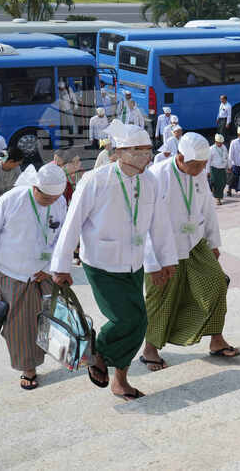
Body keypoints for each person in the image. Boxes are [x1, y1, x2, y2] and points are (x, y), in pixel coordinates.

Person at [50, 120, 178, 402]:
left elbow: (160, 225)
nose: (145, 156)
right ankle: (97, 352)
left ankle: (120, 380)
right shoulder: (95, 180)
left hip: (134, 263)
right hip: (102, 263)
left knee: (139, 323)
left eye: (147, 150)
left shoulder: (150, 180)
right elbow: (71, 224)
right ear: (119, 153)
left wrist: (165, 261)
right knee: (126, 319)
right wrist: (60, 266)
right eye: (138, 150)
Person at [139, 132, 237, 371]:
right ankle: (150, 349)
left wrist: (213, 242)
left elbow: (208, 209)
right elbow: (144, 222)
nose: (200, 169)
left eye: (204, 165)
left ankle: (216, 339)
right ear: (180, 157)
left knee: (216, 282)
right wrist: (153, 263)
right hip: (164, 248)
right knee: (160, 298)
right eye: (196, 165)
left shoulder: (200, 173)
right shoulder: (156, 176)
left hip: (195, 242)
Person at [0, 163, 68, 391]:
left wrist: (51, 266)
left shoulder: (60, 202)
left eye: (55, 197)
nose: (51, 201)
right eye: (46, 196)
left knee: (52, 316)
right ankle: (28, 367)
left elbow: (63, 236)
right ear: (35, 187)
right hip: (12, 271)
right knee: (19, 324)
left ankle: (61, 354)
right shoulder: (12, 199)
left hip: (44, 271)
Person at [208, 134, 230, 205]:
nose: (220, 144)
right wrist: (207, 171)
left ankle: (216, 193)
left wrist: (229, 166)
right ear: (215, 141)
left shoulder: (224, 148)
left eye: (221, 142)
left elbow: (227, 157)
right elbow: (208, 161)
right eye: (219, 142)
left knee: (223, 183)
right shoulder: (211, 149)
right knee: (215, 182)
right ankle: (218, 199)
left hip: (222, 168)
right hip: (214, 168)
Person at [227, 126, 240, 199]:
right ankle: (229, 190)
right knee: (233, 178)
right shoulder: (234, 142)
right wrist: (230, 165)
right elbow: (230, 154)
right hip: (236, 164)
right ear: (239, 135)